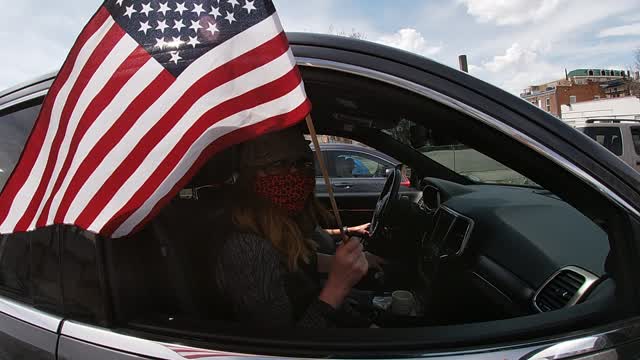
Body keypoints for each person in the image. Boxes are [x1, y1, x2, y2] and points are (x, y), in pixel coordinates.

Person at [214, 125, 384, 328]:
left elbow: (298, 262)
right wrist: (337, 287)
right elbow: (280, 349)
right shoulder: (249, 249)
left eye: (302, 163)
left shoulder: (279, 222)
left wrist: (345, 263)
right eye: (278, 164)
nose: (294, 173)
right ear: (252, 174)